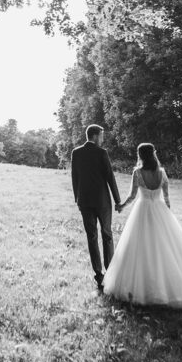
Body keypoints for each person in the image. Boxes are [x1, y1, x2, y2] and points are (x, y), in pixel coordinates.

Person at [103, 142, 182, 307]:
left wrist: (121, 206)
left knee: (140, 247)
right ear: (153, 154)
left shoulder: (137, 172)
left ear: (140, 155)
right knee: (168, 246)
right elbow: (167, 198)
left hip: (141, 211)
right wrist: (167, 216)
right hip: (160, 210)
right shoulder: (162, 173)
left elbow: (133, 196)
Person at [71, 124, 122, 290]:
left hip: (84, 202)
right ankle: (110, 270)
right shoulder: (102, 153)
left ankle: (99, 275)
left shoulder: (76, 153)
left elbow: (75, 178)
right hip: (102, 201)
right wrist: (117, 200)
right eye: (101, 135)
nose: (102, 138)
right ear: (94, 136)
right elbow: (110, 177)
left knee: (91, 237)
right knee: (107, 234)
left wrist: (77, 198)